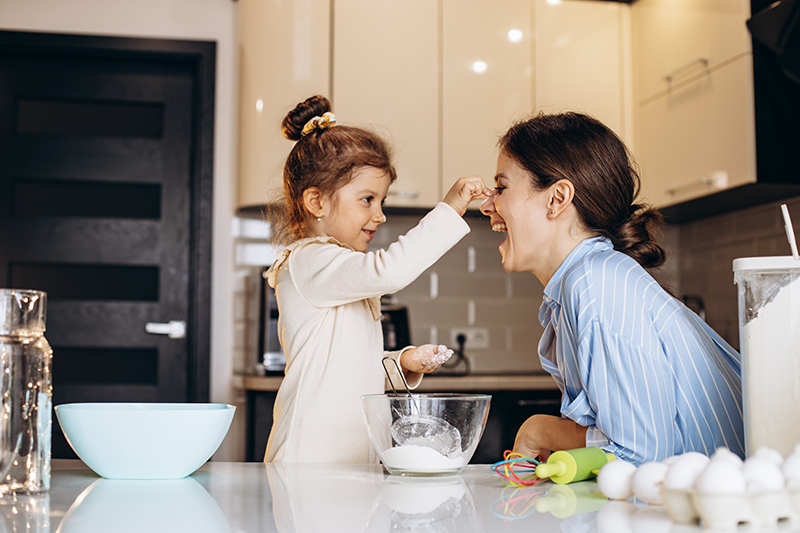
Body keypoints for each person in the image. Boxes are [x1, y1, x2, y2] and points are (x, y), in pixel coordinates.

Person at [479, 111, 744, 465]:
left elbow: (639, 454)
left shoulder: (594, 283)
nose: (487, 205)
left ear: (557, 199)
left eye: (501, 187)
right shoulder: (584, 283)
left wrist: (538, 430)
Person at [264, 95, 491, 463]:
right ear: (316, 202)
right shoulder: (309, 260)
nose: (380, 214)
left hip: (353, 459)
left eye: (381, 201)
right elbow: (391, 270)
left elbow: (349, 366)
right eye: (367, 199)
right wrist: (449, 209)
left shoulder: (339, 267)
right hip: (309, 460)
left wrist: (403, 362)